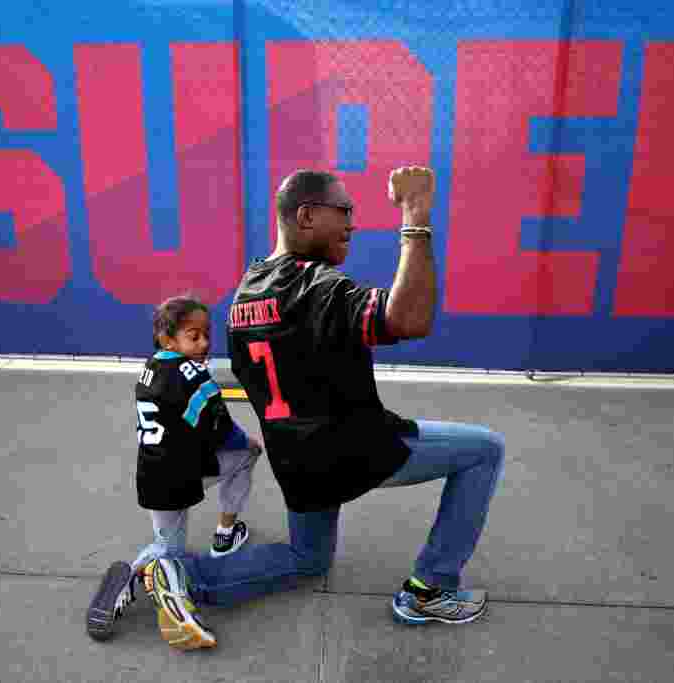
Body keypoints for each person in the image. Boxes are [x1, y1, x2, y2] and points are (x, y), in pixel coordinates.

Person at [142, 165, 505, 651]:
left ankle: (180, 573)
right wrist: (415, 215)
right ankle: (430, 588)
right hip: (356, 452)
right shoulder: (320, 286)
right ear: (308, 215)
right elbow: (409, 319)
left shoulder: (246, 291)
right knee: (486, 450)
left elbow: (254, 379)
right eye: (346, 212)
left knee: (308, 559)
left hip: (298, 465)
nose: (353, 223)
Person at [86, 295, 262, 646]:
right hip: (179, 478)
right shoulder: (197, 377)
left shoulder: (151, 366)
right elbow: (224, 430)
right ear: (169, 340)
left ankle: (135, 578)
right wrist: (251, 442)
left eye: (206, 335)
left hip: (151, 472)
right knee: (171, 556)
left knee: (166, 542)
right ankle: (212, 544)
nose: (204, 343)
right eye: (193, 336)